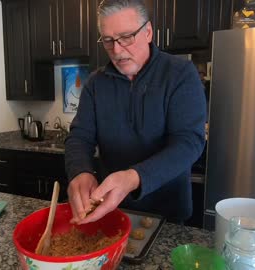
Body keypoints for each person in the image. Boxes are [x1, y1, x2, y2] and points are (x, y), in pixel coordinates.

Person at [64, 0, 206, 225]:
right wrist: (80, 171)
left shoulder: (180, 74)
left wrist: (134, 177)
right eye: (108, 40)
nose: (117, 50)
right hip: (112, 212)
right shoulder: (95, 84)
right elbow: (79, 137)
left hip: (167, 214)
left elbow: (189, 142)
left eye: (126, 37)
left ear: (148, 32)